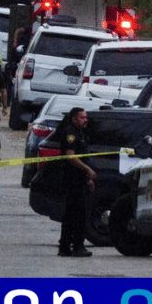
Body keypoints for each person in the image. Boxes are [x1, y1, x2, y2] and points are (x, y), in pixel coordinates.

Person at [56, 107, 96, 257]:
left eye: (86, 117)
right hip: (72, 180)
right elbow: (70, 156)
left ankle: (66, 246)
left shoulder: (80, 133)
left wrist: (87, 179)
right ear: (74, 118)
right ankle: (76, 246)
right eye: (82, 117)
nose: (85, 120)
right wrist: (87, 170)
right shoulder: (70, 133)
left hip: (80, 179)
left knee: (73, 214)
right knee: (77, 215)